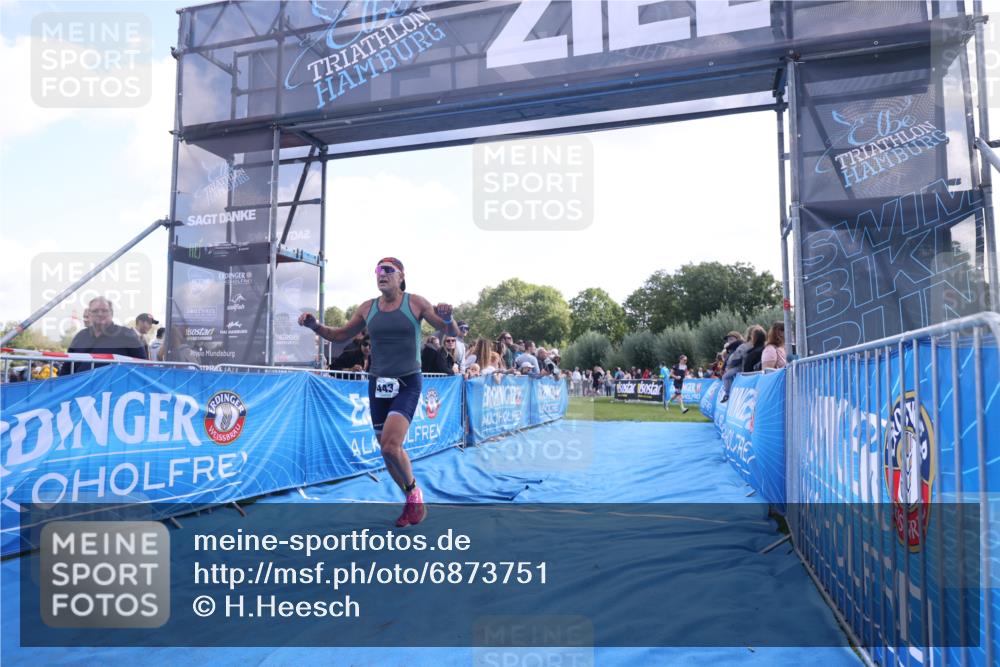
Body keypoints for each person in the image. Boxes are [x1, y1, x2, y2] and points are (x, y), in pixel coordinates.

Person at [298, 257, 457, 527]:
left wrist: (448, 318)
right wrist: (314, 326)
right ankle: (410, 499)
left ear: (401, 275)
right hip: (378, 384)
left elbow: (449, 331)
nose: (381, 275)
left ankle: (415, 496)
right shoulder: (367, 308)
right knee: (386, 452)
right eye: (377, 271)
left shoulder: (415, 303)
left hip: (407, 381)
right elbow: (339, 335)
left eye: (387, 270)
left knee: (391, 444)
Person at [66, 296, 147, 373]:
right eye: (95, 311)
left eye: (104, 311)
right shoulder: (80, 337)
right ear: (89, 315)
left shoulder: (127, 335)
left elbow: (144, 366)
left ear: (111, 313)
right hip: (83, 386)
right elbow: (67, 368)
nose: (100, 314)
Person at [720, 330, 746, 402]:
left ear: (737, 338)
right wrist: (723, 368)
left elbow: (740, 342)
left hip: (740, 367)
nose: (729, 341)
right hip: (734, 368)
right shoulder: (732, 348)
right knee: (728, 377)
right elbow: (727, 359)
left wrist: (728, 347)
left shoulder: (741, 344)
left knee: (725, 376)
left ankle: (727, 394)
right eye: (728, 339)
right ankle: (730, 394)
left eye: (731, 339)